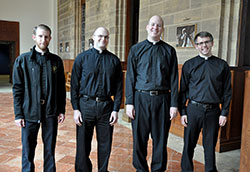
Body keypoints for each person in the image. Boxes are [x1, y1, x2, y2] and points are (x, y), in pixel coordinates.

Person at [125, 15, 179, 172]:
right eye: (153, 25)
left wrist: (174, 104)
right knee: (139, 139)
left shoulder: (169, 50)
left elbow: (174, 79)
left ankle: (158, 169)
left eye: (159, 25)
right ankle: (140, 169)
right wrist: (129, 102)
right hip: (140, 98)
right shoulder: (136, 49)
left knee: (160, 140)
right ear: (147, 27)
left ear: (162, 29)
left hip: (163, 100)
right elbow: (130, 78)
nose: (156, 28)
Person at [12, 24, 66, 172]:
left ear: (50, 38)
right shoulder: (22, 61)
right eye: (41, 36)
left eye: (46, 36)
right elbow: (17, 89)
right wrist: (18, 114)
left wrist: (61, 110)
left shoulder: (56, 61)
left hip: (50, 111)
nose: (43, 39)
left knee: (49, 148)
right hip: (29, 111)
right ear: (34, 37)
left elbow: (61, 89)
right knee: (28, 149)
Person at [71, 27, 123, 172]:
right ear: (93, 37)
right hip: (85, 105)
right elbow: (74, 86)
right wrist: (76, 109)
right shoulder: (82, 58)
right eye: (100, 36)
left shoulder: (114, 60)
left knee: (105, 145)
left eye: (106, 37)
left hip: (106, 107)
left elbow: (119, 88)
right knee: (82, 145)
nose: (103, 39)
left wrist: (115, 109)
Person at [178, 31, 232, 172]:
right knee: (189, 145)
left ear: (212, 43)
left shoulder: (222, 65)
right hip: (193, 110)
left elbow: (227, 91)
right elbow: (183, 90)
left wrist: (224, 112)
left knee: (210, 146)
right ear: (196, 46)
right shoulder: (189, 65)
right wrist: (183, 112)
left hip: (213, 111)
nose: (204, 45)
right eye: (200, 43)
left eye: (207, 42)